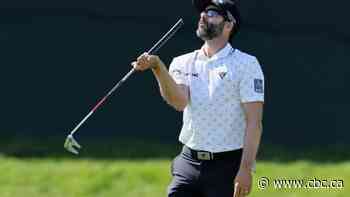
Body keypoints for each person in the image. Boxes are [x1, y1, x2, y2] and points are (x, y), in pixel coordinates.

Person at [131, 0, 264, 196]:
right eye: (203, 12)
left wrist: (245, 169)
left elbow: (254, 122)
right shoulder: (183, 61)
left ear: (228, 25)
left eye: (212, 13)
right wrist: (158, 67)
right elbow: (179, 102)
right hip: (188, 162)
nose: (203, 15)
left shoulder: (247, 64)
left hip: (227, 166)